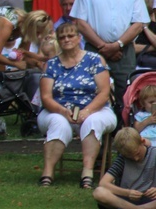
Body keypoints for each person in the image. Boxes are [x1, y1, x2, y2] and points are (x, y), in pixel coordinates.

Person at [37, 22, 117, 188]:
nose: (66, 39)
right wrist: (62, 111)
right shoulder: (51, 64)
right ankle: (47, 172)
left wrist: (88, 110)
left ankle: (87, 172)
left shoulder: (94, 60)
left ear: (79, 38)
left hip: (96, 109)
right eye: (62, 37)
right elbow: (46, 97)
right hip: (57, 110)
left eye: (70, 36)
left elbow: (104, 92)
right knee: (58, 123)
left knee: (92, 122)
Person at [70, 0, 150, 108]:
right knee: (90, 92)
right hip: (94, 50)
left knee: (127, 96)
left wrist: (117, 45)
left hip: (124, 50)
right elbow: (80, 22)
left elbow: (139, 23)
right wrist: (103, 46)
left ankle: (125, 132)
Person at [92, 128, 156, 209]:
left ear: (142, 141)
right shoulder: (123, 159)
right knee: (99, 192)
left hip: (151, 200)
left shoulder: (154, 153)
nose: (135, 159)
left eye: (137, 153)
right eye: (130, 156)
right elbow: (103, 183)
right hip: (127, 199)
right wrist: (127, 193)